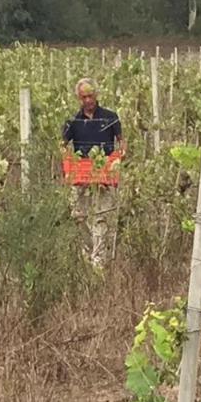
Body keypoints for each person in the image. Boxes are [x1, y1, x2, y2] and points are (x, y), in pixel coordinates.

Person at [62, 78, 124, 267]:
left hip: (105, 176)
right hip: (80, 176)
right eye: (83, 97)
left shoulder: (110, 117)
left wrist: (117, 160)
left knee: (101, 216)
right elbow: (62, 146)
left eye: (90, 96)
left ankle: (98, 262)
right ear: (78, 98)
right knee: (78, 216)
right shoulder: (72, 121)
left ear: (96, 95)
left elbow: (122, 143)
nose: (88, 100)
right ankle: (87, 254)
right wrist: (70, 166)